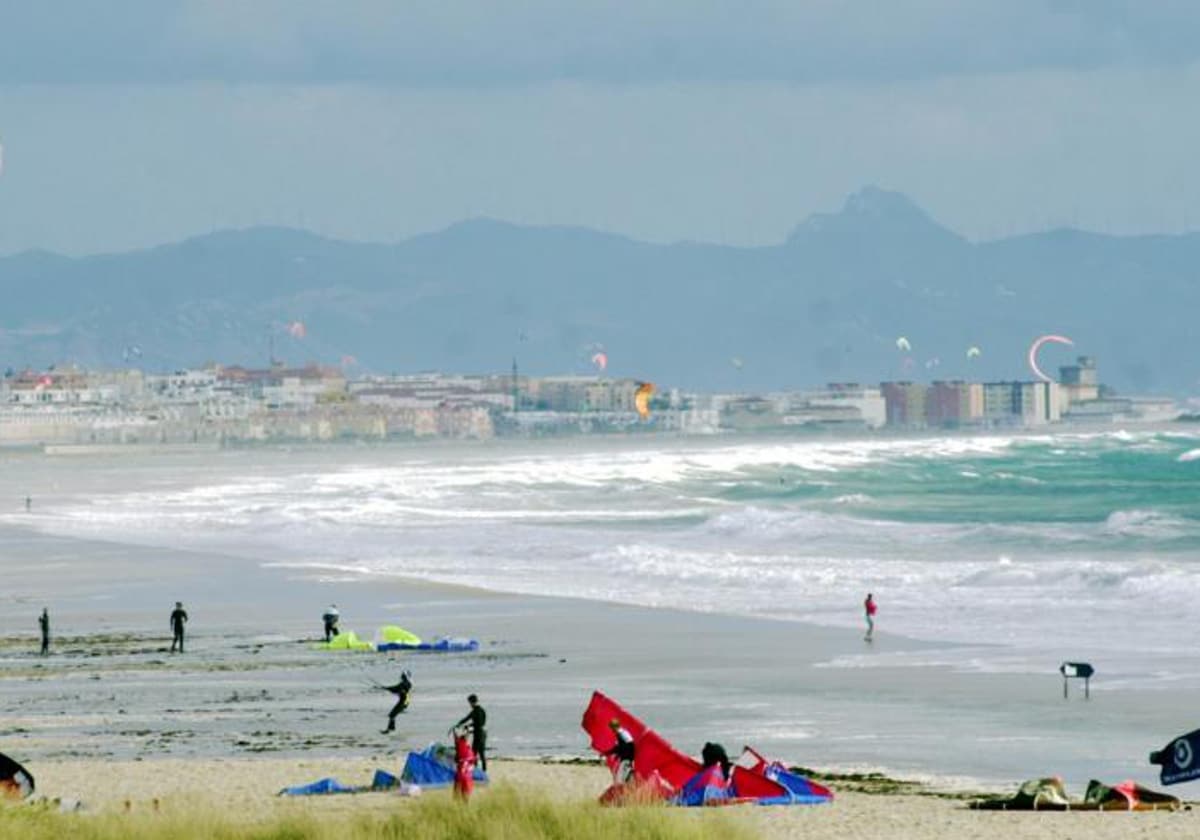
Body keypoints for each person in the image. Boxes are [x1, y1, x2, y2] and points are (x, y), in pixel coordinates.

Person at [454, 694, 487, 772]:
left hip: (478, 735)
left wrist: (459, 724)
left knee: (473, 753)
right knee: (482, 753)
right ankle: (484, 770)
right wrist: (469, 726)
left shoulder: (475, 711)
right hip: (483, 733)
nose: (469, 705)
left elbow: (467, 718)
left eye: (469, 703)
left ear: (472, 702)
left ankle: (475, 770)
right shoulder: (482, 710)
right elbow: (481, 723)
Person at [605, 718, 635, 783]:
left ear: (615, 727)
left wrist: (609, 753)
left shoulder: (620, 734)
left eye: (612, 728)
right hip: (629, 759)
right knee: (623, 777)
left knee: (619, 779)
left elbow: (623, 747)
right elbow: (624, 746)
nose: (611, 730)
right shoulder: (624, 733)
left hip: (626, 759)